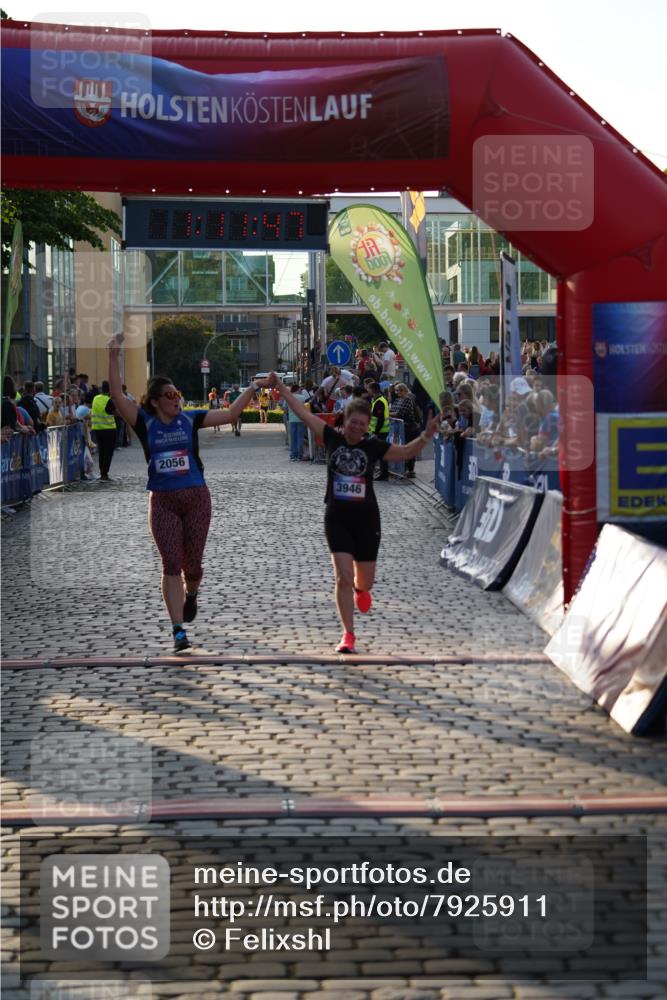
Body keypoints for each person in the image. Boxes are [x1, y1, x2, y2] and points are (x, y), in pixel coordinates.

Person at [108, 334, 268, 651]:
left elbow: (231, 415)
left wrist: (253, 387)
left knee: (192, 565)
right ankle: (178, 629)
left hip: (196, 499)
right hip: (163, 501)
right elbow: (116, 394)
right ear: (155, 401)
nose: (176, 398)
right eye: (169, 394)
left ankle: (191, 593)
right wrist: (113, 357)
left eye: (178, 393)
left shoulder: (191, 419)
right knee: (170, 563)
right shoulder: (143, 422)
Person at [271, 372, 441, 653]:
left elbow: (406, 451)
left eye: (362, 425)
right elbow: (302, 412)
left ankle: (362, 591)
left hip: (366, 521)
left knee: (364, 581)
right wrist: (281, 388)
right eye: (353, 422)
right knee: (342, 577)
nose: (357, 428)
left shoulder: (372, 446)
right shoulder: (332, 438)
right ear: (345, 421)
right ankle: (347, 634)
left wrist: (426, 435)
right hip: (337, 518)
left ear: (366, 427)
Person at [390, 382, 422, 477]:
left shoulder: (408, 400)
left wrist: (389, 414)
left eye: (400, 390)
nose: (398, 392)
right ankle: (401, 469)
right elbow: (393, 411)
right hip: (400, 429)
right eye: (397, 390)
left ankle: (411, 470)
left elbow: (400, 413)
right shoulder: (397, 400)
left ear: (405, 391)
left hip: (409, 429)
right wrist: (391, 413)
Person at [90, 380, 117, 481]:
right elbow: (114, 412)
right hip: (109, 429)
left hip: (97, 429)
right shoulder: (109, 400)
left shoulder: (95, 398)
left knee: (102, 451)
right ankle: (104, 473)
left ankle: (102, 472)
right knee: (108, 452)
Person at [287, 383, 309, 461]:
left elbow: (284, 407)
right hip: (301, 419)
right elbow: (307, 405)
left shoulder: (288, 397)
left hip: (292, 420)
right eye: (300, 389)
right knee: (300, 438)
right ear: (297, 389)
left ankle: (293, 455)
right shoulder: (303, 397)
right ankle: (300, 455)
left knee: (293, 438)